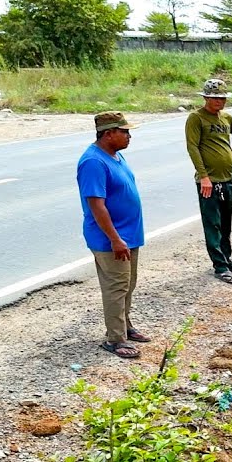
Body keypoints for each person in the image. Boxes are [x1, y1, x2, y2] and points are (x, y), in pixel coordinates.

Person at [77, 112, 148, 359]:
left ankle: (125, 326)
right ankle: (115, 339)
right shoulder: (93, 162)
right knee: (116, 287)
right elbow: (97, 205)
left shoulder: (116, 155)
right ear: (108, 134)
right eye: (124, 132)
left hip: (128, 235)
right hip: (111, 239)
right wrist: (115, 239)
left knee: (128, 284)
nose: (129, 136)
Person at [186, 78, 232, 284]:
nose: (220, 101)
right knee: (212, 224)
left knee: (226, 222)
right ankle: (219, 266)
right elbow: (193, 147)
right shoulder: (196, 118)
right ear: (205, 98)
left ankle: (227, 259)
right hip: (209, 181)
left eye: (222, 98)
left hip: (227, 178)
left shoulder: (227, 118)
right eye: (215, 98)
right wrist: (204, 176)